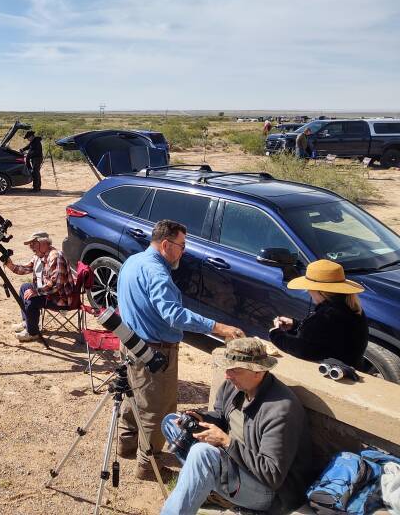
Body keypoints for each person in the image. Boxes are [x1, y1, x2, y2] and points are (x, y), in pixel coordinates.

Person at [116, 219, 244, 480]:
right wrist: (217, 327)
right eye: (182, 246)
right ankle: (147, 465)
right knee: (157, 408)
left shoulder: (133, 261)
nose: (184, 251)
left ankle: (126, 442)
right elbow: (173, 314)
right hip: (154, 351)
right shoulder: (158, 273)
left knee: (132, 396)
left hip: (130, 343)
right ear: (166, 244)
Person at [161, 337, 312, 514]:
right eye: (227, 368)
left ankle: (205, 487)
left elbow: (272, 475)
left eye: (235, 370)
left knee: (202, 454)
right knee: (172, 423)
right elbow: (221, 417)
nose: (227, 375)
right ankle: (209, 485)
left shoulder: (281, 410)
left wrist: (227, 442)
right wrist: (200, 418)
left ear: (258, 371)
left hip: (269, 493)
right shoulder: (234, 386)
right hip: (231, 464)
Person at [270, 259, 368, 368]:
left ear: (318, 290)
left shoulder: (327, 316)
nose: (308, 291)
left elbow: (302, 350)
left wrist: (275, 334)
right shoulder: (351, 306)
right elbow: (325, 336)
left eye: (309, 288)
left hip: (335, 373)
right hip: (351, 365)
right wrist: (295, 325)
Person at [4, 231, 74, 342]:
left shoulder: (55, 256)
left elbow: (57, 285)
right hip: (49, 293)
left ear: (44, 243)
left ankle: (32, 333)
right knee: (25, 287)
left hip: (60, 298)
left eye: (33, 243)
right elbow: (24, 269)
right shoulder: (38, 256)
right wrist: (9, 264)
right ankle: (27, 322)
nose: (31, 247)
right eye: (30, 244)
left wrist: (37, 291)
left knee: (32, 299)